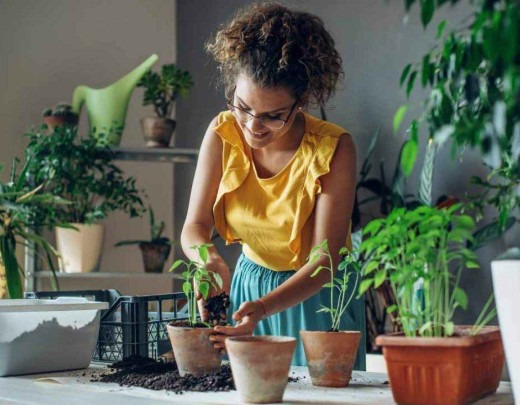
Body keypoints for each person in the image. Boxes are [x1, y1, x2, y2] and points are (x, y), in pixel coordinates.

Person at [180, 3, 365, 369]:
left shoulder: (333, 148)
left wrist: (266, 307)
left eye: (272, 116)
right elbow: (195, 227)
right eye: (242, 106)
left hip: (315, 299)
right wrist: (210, 259)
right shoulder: (222, 134)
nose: (252, 126)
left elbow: (324, 261)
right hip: (248, 288)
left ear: (301, 103)